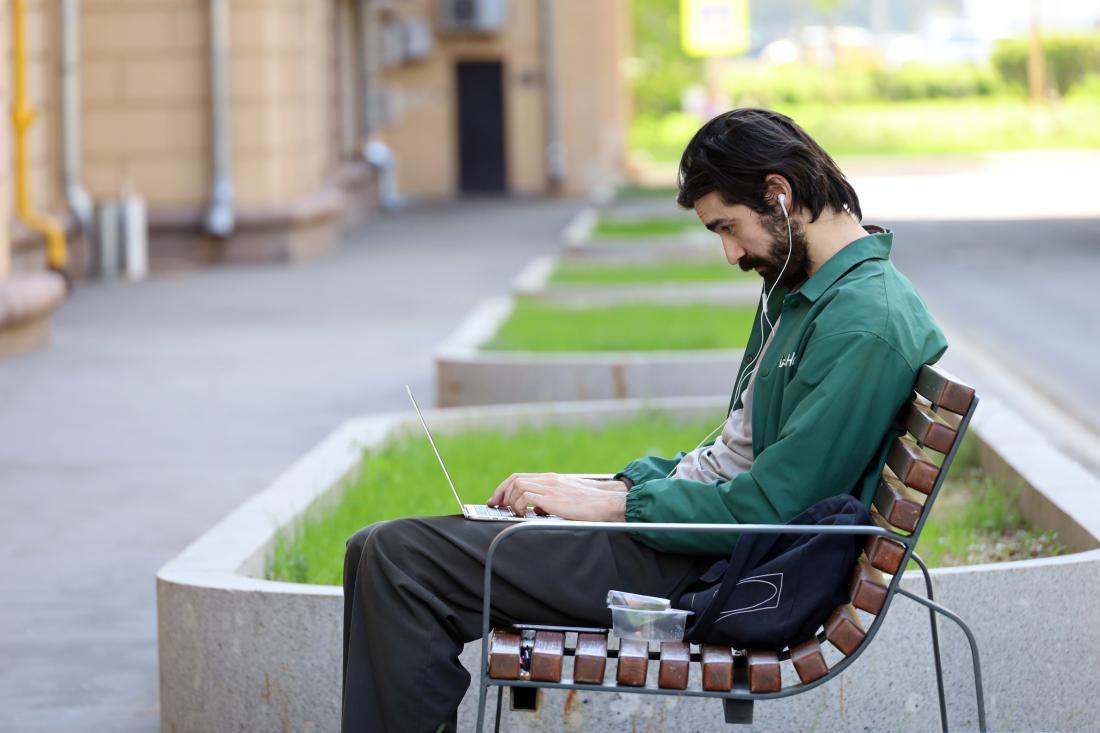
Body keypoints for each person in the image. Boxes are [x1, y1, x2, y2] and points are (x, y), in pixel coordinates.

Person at [341, 108, 947, 732]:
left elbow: (776, 510)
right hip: (687, 534)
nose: (730, 252)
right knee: (372, 551)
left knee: (400, 557)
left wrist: (617, 508)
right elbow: (734, 458)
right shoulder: (805, 290)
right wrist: (614, 487)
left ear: (778, 193)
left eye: (729, 227)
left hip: (712, 569)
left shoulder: (864, 320)